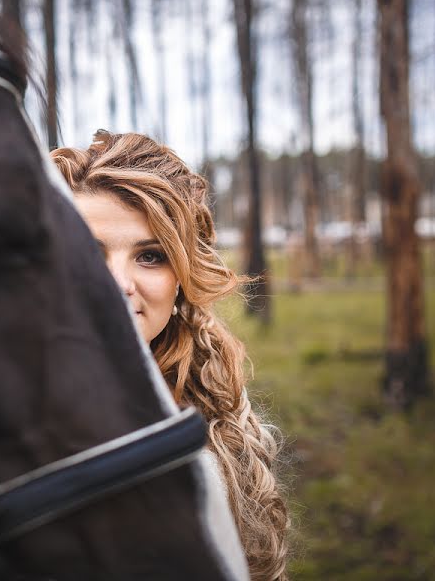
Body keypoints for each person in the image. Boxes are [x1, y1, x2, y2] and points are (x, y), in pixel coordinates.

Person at [51, 131, 289, 581]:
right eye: (87, 253)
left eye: (150, 256)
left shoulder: (219, 419)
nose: (117, 284)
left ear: (181, 277)